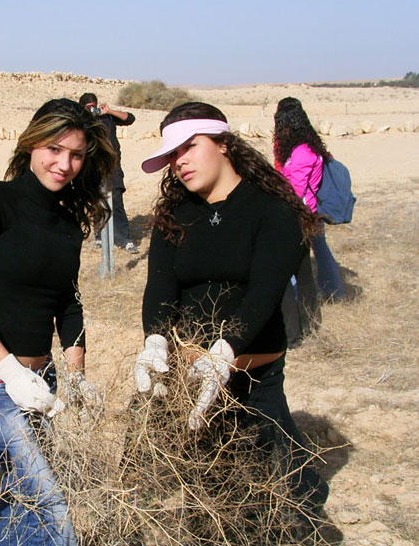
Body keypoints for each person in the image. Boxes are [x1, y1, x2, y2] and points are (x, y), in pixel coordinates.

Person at [136, 102, 328, 531]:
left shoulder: (273, 211)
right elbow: (162, 287)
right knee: (208, 514)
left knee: (276, 511)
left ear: (224, 143)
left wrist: (225, 351)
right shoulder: (175, 215)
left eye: (189, 146)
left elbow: (264, 292)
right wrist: (155, 340)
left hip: (252, 384)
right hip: (190, 390)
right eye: (172, 154)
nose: (179, 161)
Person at [0, 98, 115, 546]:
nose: (64, 164)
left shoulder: (67, 221)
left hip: (41, 385)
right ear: (31, 143)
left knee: (23, 498)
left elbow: (68, 300)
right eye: (54, 148)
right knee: (50, 506)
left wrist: (77, 375)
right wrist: (8, 370)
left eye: (77, 154)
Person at [274, 96, 346, 302]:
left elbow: (297, 189)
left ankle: (297, 299)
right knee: (320, 252)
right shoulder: (303, 146)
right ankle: (333, 292)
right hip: (308, 212)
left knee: (292, 256)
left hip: (304, 213)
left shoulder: (301, 152)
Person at [79, 93, 138, 253]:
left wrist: (110, 111)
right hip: (93, 168)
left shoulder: (108, 118)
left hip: (112, 167)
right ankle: (100, 236)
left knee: (117, 201)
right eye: (88, 107)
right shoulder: (82, 122)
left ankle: (124, 239)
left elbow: (130, 118)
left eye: (94, 105)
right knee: (97, 203)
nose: (92, 110)